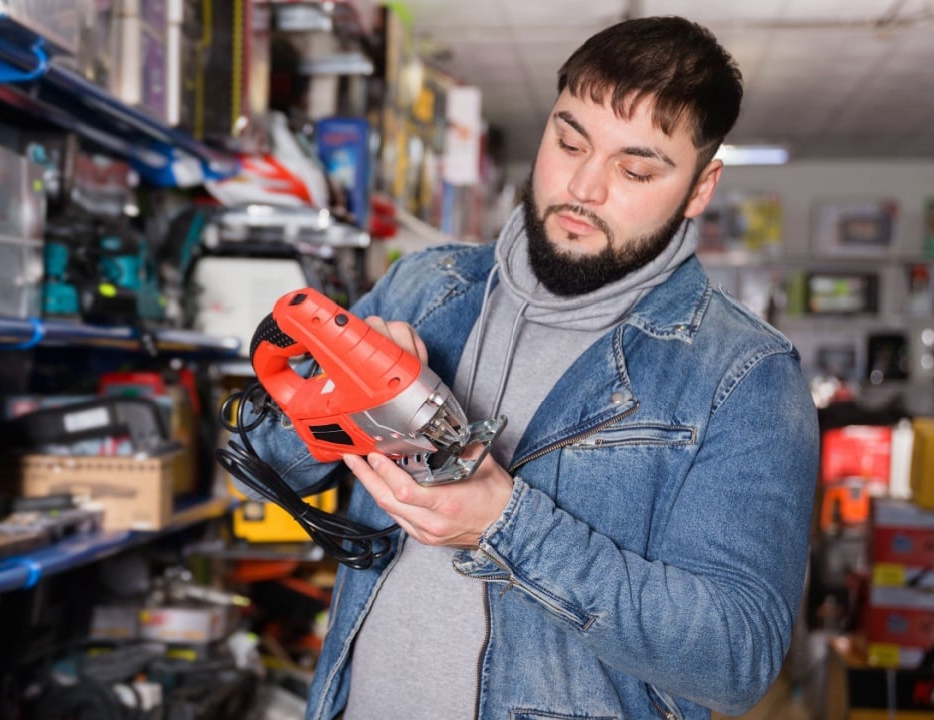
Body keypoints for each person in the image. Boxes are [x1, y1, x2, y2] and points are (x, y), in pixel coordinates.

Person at [241, 15, 819, 720]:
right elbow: (270, 467)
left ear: (700, 188)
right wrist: (332, 400)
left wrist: (504, 524)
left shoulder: (747, 376)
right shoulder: (426, 287)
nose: (583, 186)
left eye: (634, 169)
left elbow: (734, 657)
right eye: (569, 140)